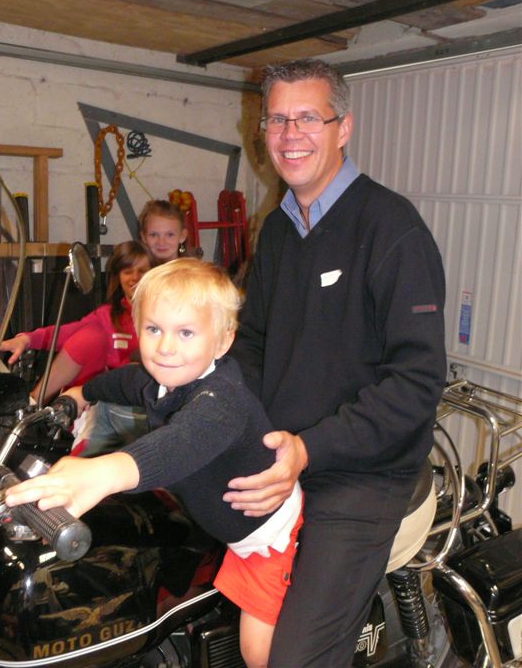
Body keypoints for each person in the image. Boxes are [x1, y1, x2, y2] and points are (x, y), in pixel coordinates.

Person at [224, 59, 447, 667]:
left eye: (308, 118)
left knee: (294, 659)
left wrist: (310, 448)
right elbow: (254, 343)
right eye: (277, 119)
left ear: (343, 127)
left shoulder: (391, 227)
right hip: (286, 460)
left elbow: (417, 381)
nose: (290, 134)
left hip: (362, 478)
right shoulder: (277, 230)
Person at [5, 258, 303, 668]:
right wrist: (80, 394)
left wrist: (104, 472)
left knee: (258, 653)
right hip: (213, 516)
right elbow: (124, 381)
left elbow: (181, 443)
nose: (165, 347)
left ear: (222, 342)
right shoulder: (164, 379)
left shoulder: (223, 400)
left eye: (185, 333)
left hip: (266, 540)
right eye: (153, 329)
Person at [0, 241, 151, 404]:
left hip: (145, 398)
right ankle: (33, 404)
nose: (135, 277)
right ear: (118, 277)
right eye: (127, 271)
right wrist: (26, 339)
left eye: (142, 271)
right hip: (105, 402)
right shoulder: (107, 316)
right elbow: (68, 332)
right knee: (90, 337)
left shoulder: (160, 313)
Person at [138, 199, 188, 265]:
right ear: (143, 237)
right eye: (153, 235)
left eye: (170, 235)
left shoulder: (194, 269)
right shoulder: (136, 270)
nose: (161, 242)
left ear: (182, 236)